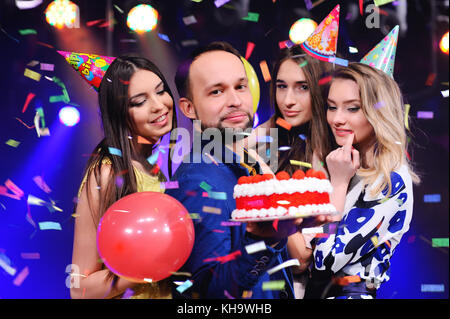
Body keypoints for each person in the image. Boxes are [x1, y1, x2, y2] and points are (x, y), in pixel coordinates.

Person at [166, 41, 307, 299]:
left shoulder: (246, 165)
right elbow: (207, 295)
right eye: (216, 92)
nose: (235, 101)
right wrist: (262, 241)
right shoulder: (198, 179)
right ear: (189, 108)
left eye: (240, 87)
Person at [304, 62, 420, 299]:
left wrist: (337, 185)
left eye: (353, 108)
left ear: (378, 112)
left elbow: (323, 261)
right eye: (332, 107)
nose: (337, 118)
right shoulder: (348, 168)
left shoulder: (391, 179)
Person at [70, 56, 177, 299]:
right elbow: (79, 289)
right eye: (139, 102)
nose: (159, 105)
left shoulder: (154, 169)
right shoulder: (106, 174)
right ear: (119, 114)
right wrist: (146, 268)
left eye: (161, 92)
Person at [250, 45, 333, 298]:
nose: (288, 100)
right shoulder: (264, 141)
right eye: (281, 86)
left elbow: (302, 258)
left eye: (302, 87)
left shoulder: (336, 153)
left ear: (320, 90)